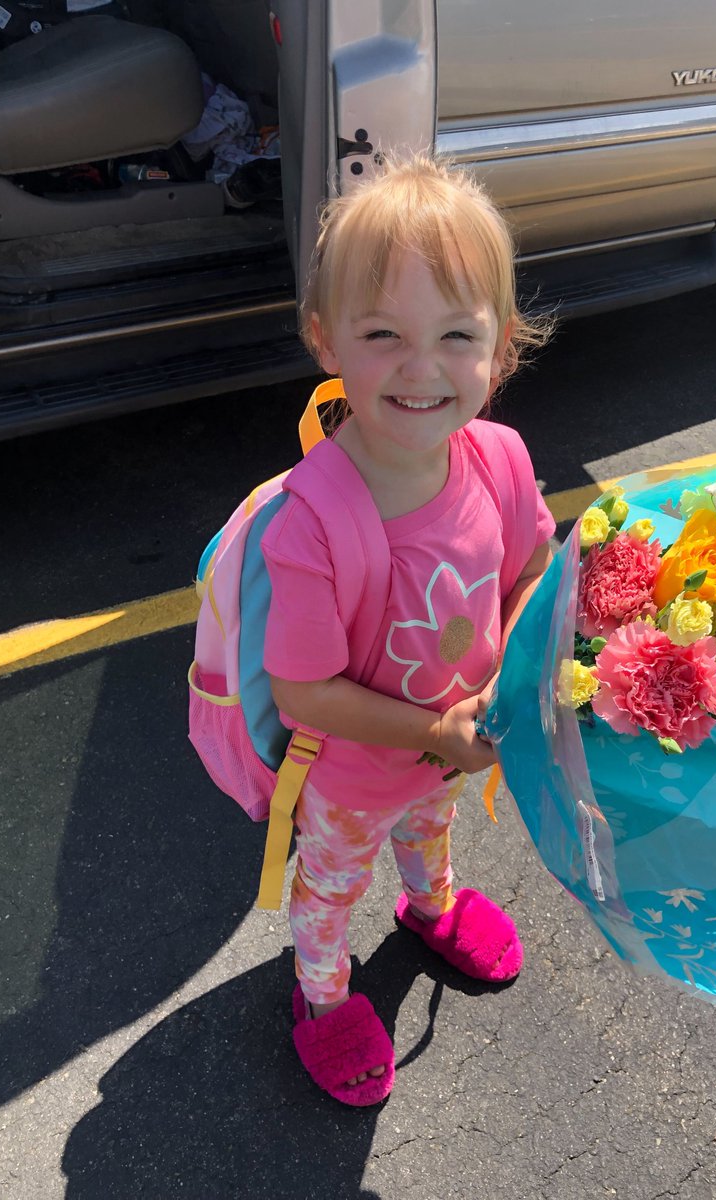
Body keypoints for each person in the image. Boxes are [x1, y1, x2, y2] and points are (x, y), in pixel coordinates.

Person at [261, 154, 555, 1106]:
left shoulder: (501, 460)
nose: (422, 368)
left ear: (501, 347)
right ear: (325, 338)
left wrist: (501, 679)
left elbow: (532, 572)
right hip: (353, 774)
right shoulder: (311, 520)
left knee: (430, 831)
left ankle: (428, 906)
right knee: (329, 891)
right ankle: (322, 993)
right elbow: (305, 692)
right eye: (382, 332)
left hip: (448, 754)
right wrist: (435, 731)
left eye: (456, 334)